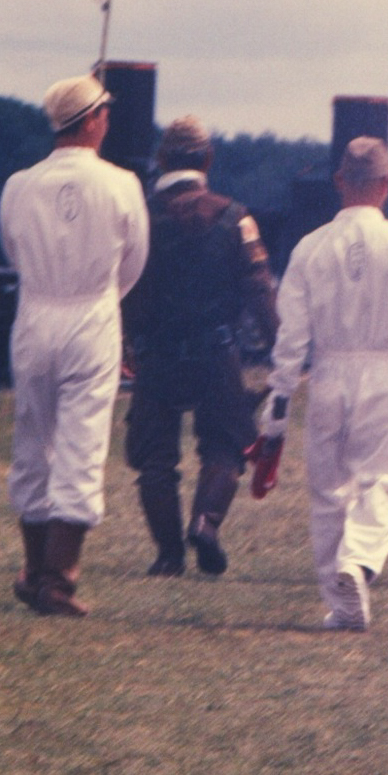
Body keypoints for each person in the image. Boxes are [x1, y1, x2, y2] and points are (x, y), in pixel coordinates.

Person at [256, 137, 388, 630]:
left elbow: (291, 334)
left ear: (340, 182)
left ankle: (342, 600)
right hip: (385, 373)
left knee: (327, 491)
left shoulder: (309, 248)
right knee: (380, 481)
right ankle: (358, 559)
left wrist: (279, 396)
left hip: (328, 374)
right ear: (387, 185)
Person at [0, 72, 148, 618]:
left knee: (33, 438)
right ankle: (57, 579)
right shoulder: (122, 184)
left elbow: (12, 249)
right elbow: (134, 260)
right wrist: (100, 295)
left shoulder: (19, 185)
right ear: (93, 120)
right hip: (90, 315)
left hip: (36, 314)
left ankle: (37, 568)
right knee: (81, 444)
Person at [120, 115, 277, 577]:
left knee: (154, 458)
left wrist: (126, 343)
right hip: (217, 354)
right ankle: (206, 524)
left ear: (163, 160)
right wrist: (283, 353)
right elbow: (260, 288)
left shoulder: (139, 219)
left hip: (156, 357)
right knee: (226, 446)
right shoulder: (235, 217)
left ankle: (169, 555)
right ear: (207, 159)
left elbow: (122, 288)